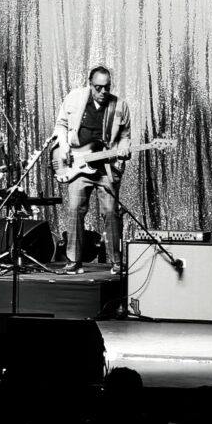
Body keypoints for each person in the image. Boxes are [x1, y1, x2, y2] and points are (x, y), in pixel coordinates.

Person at [50, 66, 131, 275]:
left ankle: (116, 261)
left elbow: (125, 136)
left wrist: (123, 147)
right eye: (98, 88)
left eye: (107, 87)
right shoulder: (74, 98)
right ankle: (74, 260)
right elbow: (60, 125)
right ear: (90, 84)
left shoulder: (120, 106)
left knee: (111, 213)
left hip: (106, 167)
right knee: (75, 210)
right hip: (77, 166)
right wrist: (65, 146)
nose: (103, 92)